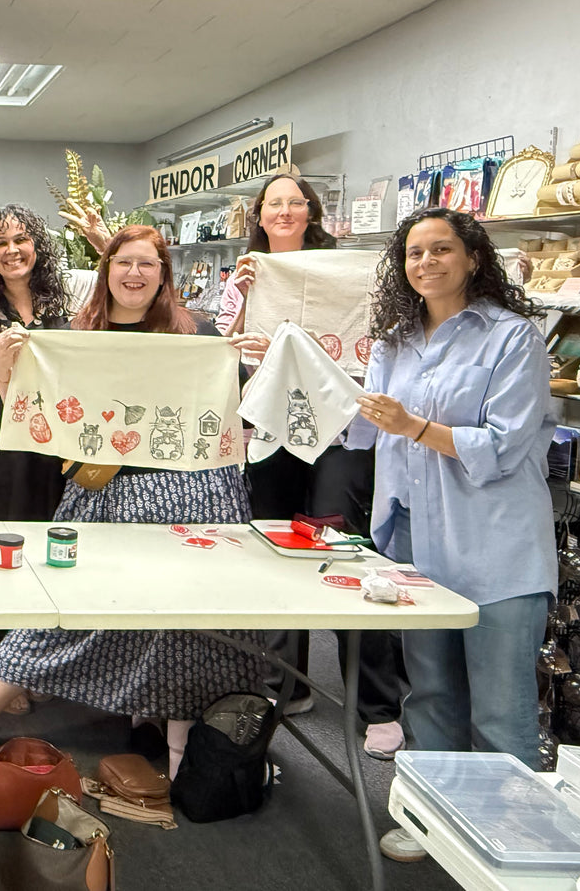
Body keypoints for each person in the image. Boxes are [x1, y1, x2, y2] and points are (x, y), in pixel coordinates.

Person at [0, 226, 264, 778]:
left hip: (192, 495)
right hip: (103, 490)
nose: (134, 274)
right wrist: (8, 369)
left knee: (180, 616)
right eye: (122, 263)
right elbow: (40, 418)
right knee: (62, 600)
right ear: (106, 272)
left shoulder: (196, 331)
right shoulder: (79, 333)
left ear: (163, 273)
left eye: (146, 264)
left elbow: (232, 410)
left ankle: (169, 738)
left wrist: (254, 361)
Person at [348, 210, 554, 855]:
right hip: (410, 535)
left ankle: (507, 840)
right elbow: (365, 430)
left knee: (499, 705)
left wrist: (414, 427)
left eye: (442, 249)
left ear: (472, 258)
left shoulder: (513, 337)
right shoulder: (393, 341)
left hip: (495, 542)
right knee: (429, 692)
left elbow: (508, 443)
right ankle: (433, 823)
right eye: (414, 252)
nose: (426, 262)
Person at [220, 171, 408, 758]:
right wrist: (244, 301)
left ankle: (377, 703)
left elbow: (382, 326)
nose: (283, 211)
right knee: (273, 549)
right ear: (260, 213)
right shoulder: (245, 274)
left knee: (343, 551)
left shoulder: (350, 272)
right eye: (272, 203)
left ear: (311, 212)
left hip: (341, 432)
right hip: (271, 430)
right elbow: (221, 348)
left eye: (294, 202)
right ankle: (280, 684)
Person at [0, 204, 74, 523]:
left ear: (37, 245)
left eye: (21, 240)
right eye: (0, 243)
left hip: (55, 451)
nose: (12, 250)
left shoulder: (70, 296)